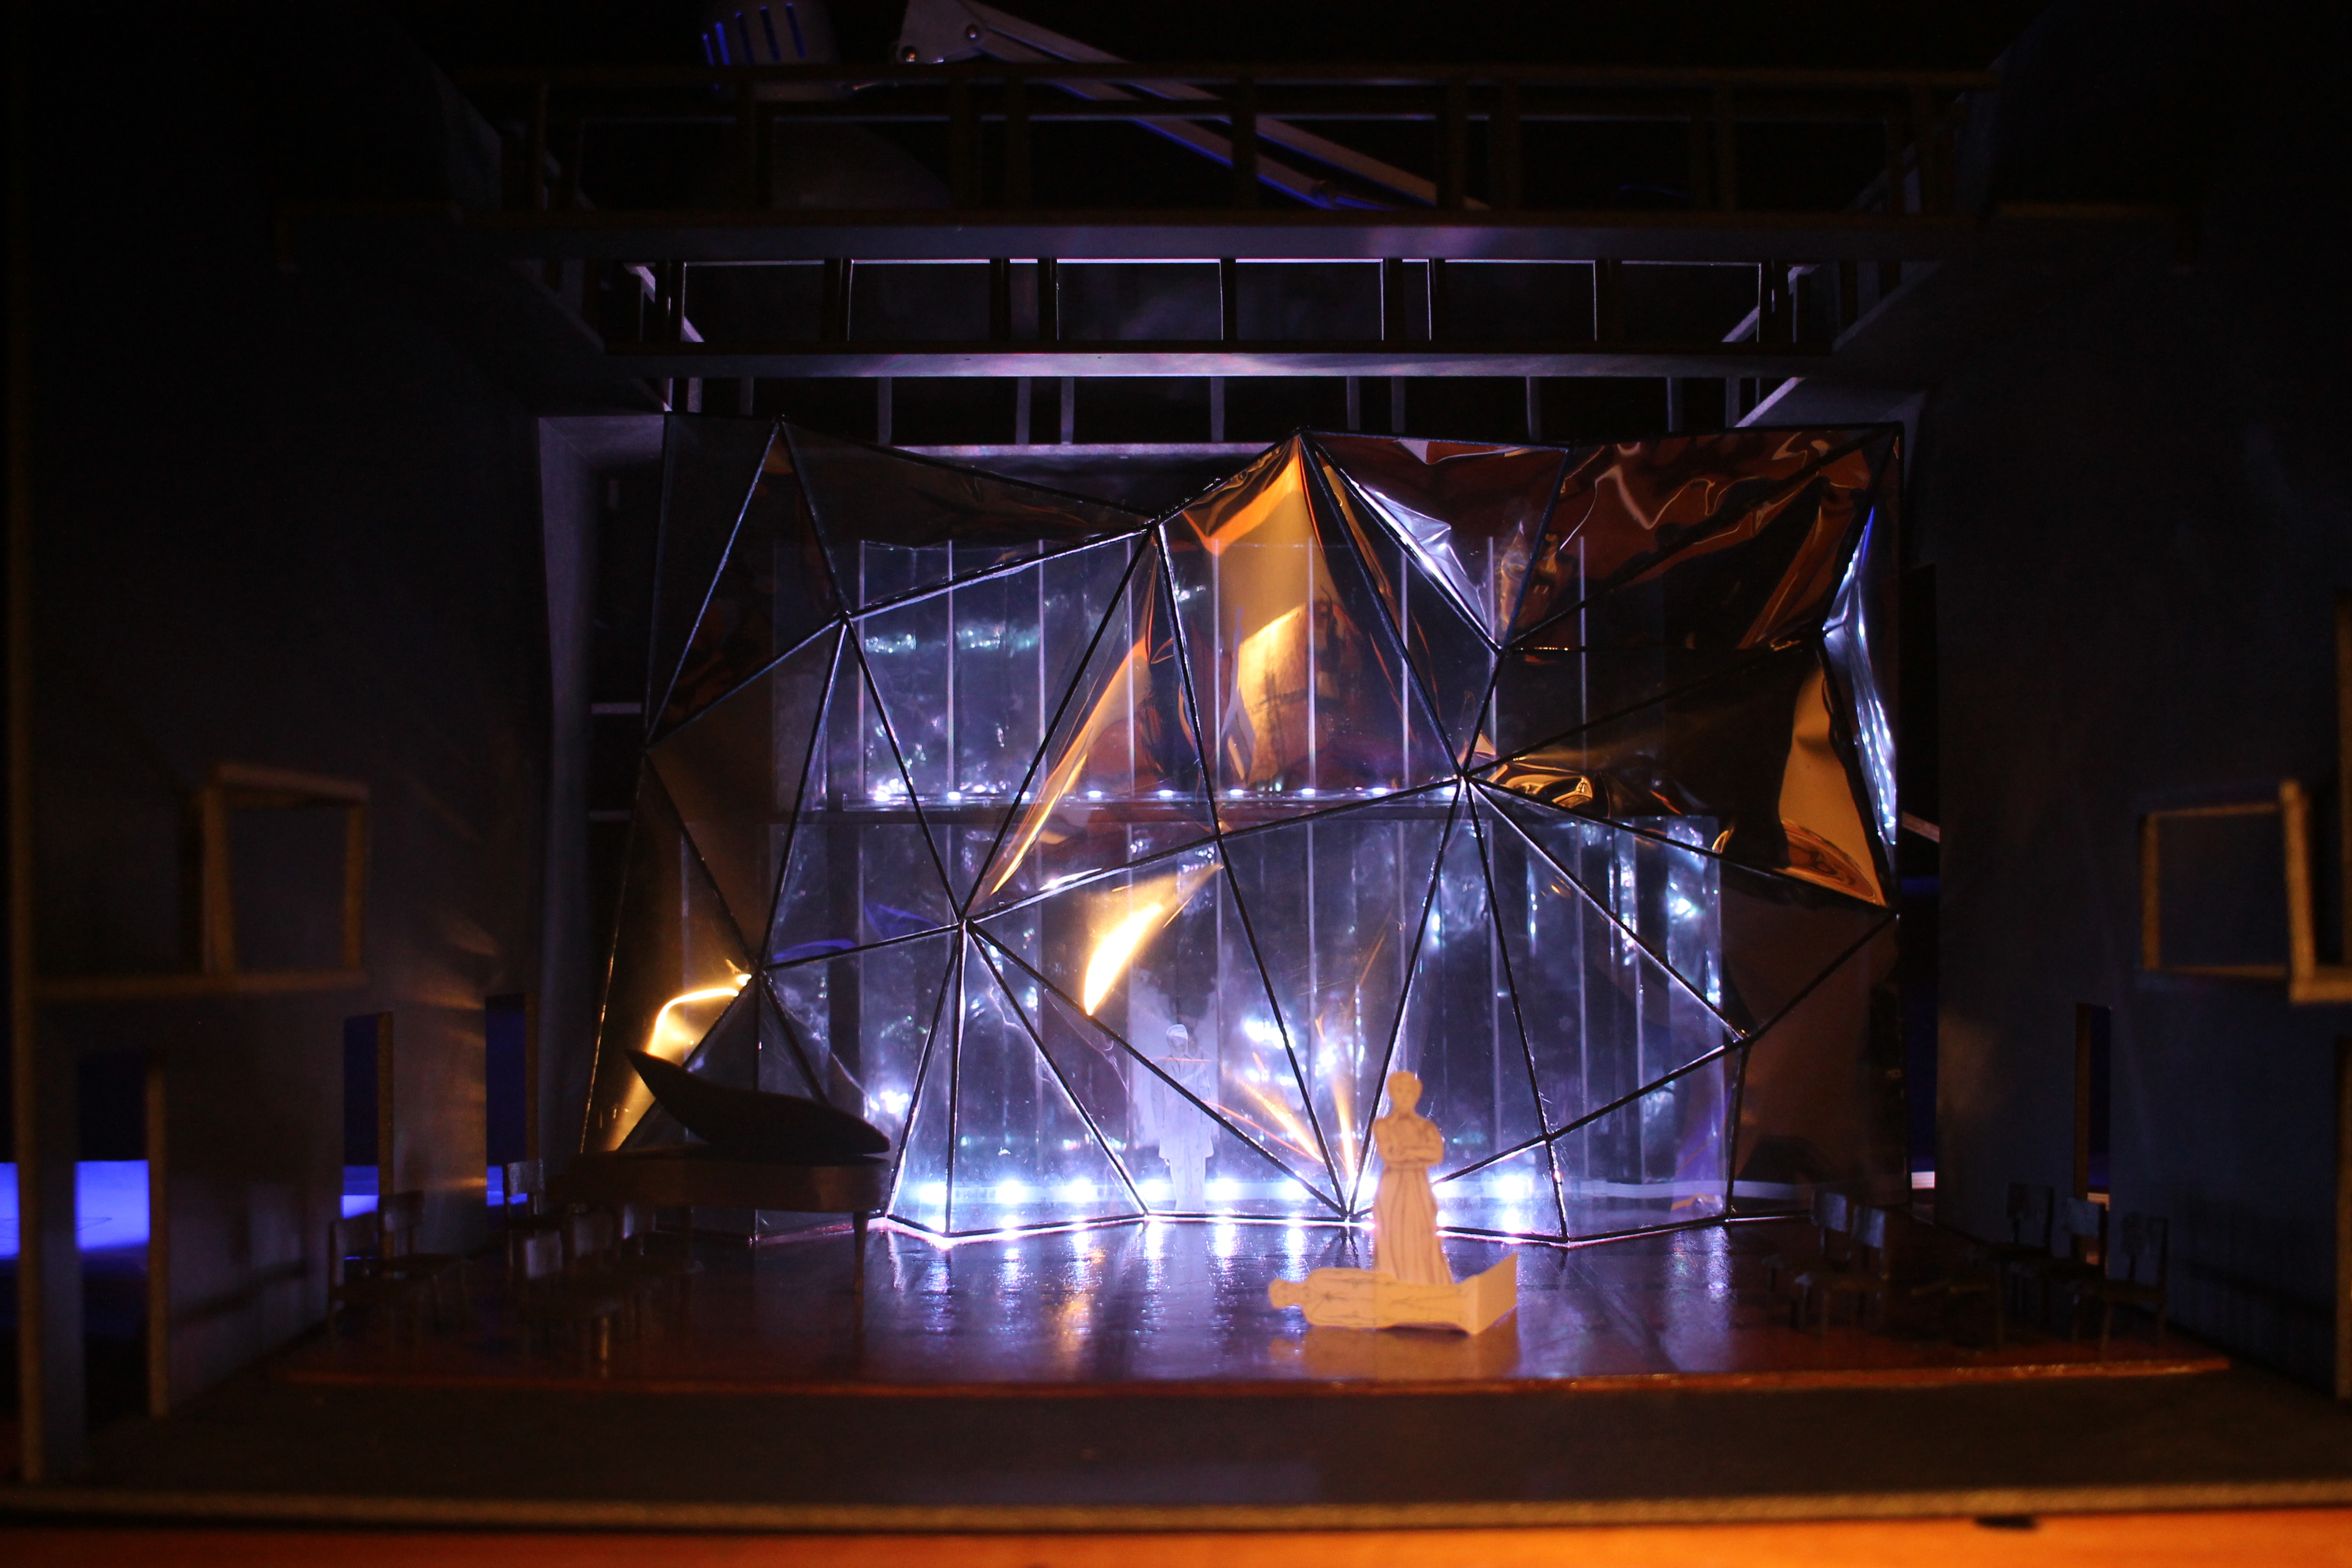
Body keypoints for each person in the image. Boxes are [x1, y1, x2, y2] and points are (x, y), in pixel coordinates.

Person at [1370, 1070, 1451, 1285]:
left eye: (1409, 1092)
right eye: (1399, 1091)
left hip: (1418, 1187)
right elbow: (1391, 1156)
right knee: (1394, 1233)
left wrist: (1406, 1152)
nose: (1404, 1097)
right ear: (1392, 1093)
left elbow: (1435, 1154)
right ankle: (1394, 1285)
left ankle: (1422, 1284)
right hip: (1392, 1189)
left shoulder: (1426, 1127)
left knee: (1421, 1232)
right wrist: (1418, 1153)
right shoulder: (1383, 1125)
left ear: (1416, 1095)